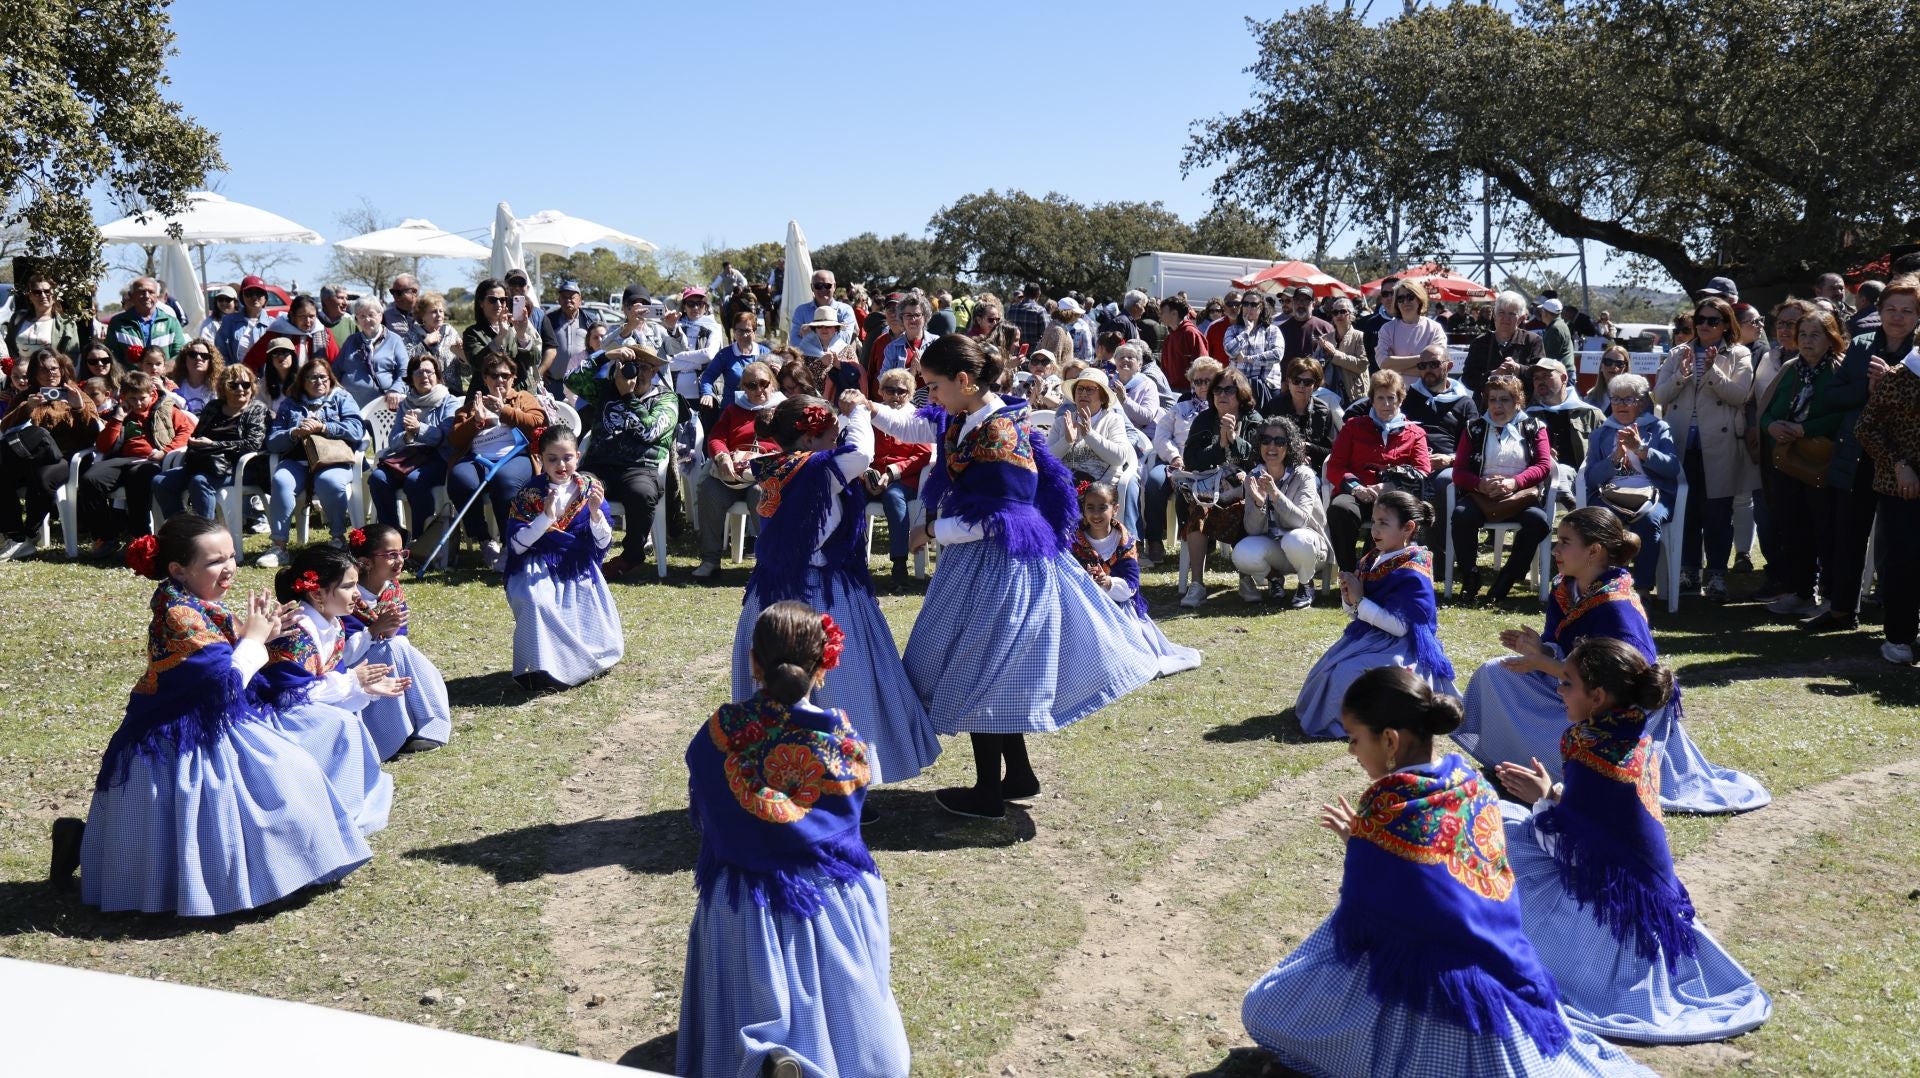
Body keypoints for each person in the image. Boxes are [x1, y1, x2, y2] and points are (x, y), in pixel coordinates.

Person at [1242, 665, 1650, 1078]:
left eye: (1354, 739)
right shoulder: (1473, 784)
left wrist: (1362, 845)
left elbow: (1364, 919)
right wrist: (1365, 844)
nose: (1351, 752)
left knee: (1265, 1009)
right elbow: (1437, 887)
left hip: (1440, 999)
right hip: (1510, 979)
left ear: (1389, 740)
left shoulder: (1387, 805)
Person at [862, 334, 1166, 820]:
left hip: (1004, 566)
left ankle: (987, 793)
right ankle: (1018, 774)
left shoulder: (999, 436)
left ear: (964, 380)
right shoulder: (968, 416)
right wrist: (870, 410)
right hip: (981, 564)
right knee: (995, 671)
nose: (929, 396)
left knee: (981, 669)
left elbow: (1000, 517)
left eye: (934, 386)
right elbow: (921, 425)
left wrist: (931, 530)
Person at [51, 518, 373, 915]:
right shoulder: (179, 614)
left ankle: (279, 872)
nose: (229, 568)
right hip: (175, 734)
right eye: (215, 561)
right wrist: (254, 639)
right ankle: (238, 882)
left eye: (232, 556)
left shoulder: (194, 601)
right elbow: (223, 683)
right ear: (179, 569)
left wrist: (263, 635)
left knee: (289, 777)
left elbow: (221, 662)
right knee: (244, 797)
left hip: (211, 720)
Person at [1493, 637, 1773, 1044]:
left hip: (1614, 915)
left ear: (1598, 696)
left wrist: (1542, 799)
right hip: (1647, 898)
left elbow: (1575, 853)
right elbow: (1602, 819)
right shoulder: (1630, 732)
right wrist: (1552, 794)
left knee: (1502, 833)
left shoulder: (1592, 752)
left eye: (1567, 682)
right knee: (1509, 819)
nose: (1559, 689)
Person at [679, 601, 912, 1078]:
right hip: (830, 895)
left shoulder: (720, 732)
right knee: (847, 1004)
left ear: (754, 662)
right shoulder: (842, 739)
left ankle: (765, 1055)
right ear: (823, 666)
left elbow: (706, 811)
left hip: (743, 898)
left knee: (749, 996)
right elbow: (847, 818)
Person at [1455, 507, 1770, 814]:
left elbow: (1622, 679)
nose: (1555, 549)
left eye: (1565, 542)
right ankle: (1519, 761)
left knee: (1556, 715)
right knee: (1494, 673)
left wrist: (1541, 663)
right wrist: (1542, 649)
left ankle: (1562, 770)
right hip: (1574, 686)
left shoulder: (1617, 605)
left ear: (1593, 551)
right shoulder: (1565, 588)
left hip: (1618, 704)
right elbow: (1559, 644)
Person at [726, 393, 942, 790]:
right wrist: (859, 410)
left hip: (772, 590)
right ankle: (837, 782)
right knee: (837, 685)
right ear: (808, 439)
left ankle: (782, 772)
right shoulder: (815, 468)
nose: (836, 441)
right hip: (815, 591)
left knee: (782, 689)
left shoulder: (776, 465)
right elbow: (861, 454)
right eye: (830, 434)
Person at [254, 545, 400, 836]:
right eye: (348, 586)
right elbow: (290, 694)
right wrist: (353, 682)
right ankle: (334, 810)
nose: (357, 594)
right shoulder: (295, 631)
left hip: (306, 708)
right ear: (317, 594)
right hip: (276, 718)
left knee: (348, 718)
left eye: (355, 585)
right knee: (342, 722)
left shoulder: (333, 623)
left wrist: (362, 686)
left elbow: (329, 679)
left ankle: (347, 801)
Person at [1294, 491, 1457, 739]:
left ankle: (1359, 722)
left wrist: (1360, 600)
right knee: (1329, 669)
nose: (1375, 529)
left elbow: (1401, 628)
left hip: (1401, 647)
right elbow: (1356, 613)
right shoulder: (1372, 558)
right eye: (1373, 521)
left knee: (1347, 674)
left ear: (1408, 528)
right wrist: (1349, 597)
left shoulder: (1413, 569)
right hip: (1370, 638)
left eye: (1384, 523)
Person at [1814, 276, 1916, 633]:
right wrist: (1868, 389)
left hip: (1903, 460)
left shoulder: (1918, 353)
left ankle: (1895, 615)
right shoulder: (1861, 345)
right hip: (1857, 453)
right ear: (1879, 310)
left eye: (1907, 311)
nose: (1897, 317)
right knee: (1848, 534)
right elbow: (1831, 396)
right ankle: (1842, 610)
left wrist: (1891, 385)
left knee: (1898, 540)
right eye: (1891, 309)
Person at [503, 426, 624, 689]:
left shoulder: (590, 490)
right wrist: (545, 518)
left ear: (577, 457)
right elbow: (517, 546)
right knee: (536, 600)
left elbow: (602, 543)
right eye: (552, 459)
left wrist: (596, 513)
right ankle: (541, 667)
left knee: (580, 603)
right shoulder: (529, 494)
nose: (561, 465)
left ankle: (578, 663)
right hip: (538, 564)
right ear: (540, 459)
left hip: (577, 564)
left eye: (567, 457)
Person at [1652, 295, 1754, 601]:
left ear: (1726, 325)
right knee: (1686, 512)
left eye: (1713, 320)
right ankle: (1689, 573)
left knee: (1717, 514)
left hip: (1719, 444)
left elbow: (1740, 395)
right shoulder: (1677, 353)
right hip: (1682, 442)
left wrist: (1712, 371)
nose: (1705, 325)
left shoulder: (1739, 354)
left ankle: (1716, 575)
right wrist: (1681, 377)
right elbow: (1659, 395)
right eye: (1700, 320)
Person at [342, 524, 451, 758]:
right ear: (365, 562)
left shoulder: (392, 591)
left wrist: (389, 633)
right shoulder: (347, 597)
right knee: (393, 647)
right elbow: (341, 654)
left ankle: (422, 723)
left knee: (398, 646)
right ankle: (391, 733)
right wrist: (373, 631)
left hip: (388, 658)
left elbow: (399, 639)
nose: (400, 560)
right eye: (391, 555)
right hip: (355, 669)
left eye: (402, 553)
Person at [1071, 481, 1202, 670]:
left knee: (1129, 656)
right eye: (1090, 507)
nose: (1096, 514)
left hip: (1119, 610)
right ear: (1083, 508)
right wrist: (1085, 578)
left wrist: (1108, 583)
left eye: (1102, 507)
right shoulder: (1074, 542)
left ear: (1115, 509)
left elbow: (1131, 587)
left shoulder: (1125, 543)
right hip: (1084, 609)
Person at [1451, 373, 1555, 602]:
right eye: (1492, 400)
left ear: (1518, 402)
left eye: (1504, 400)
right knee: (1461, 515)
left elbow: (1543, 466)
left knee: (1538, 521)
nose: (1497, 406)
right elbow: (1458, 471)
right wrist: (1480, 484)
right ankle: (1470, 576)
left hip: (1520, 495)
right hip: (1481, 495)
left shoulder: (1534, 427)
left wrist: (1514, 482)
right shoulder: (1474, 428)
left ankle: (1507, 579)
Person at [1854, 308, 1920, 664]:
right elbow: (1866, 428)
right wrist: (1899, 464)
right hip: (1902, 486)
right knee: (1904, 561)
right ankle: (1899, 637)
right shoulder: (1900, 377)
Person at [257, 360, 364, 567]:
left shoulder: (341, 398)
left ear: (330, 379)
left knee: (329, 482)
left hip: (332, 461)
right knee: (281, 480)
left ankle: (338, 538)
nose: (318, 381)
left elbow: (356, 430)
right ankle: (279, 547)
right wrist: (293, 433)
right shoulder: (290, 404)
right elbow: (272, 441)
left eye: (323, 377)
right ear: (302, 381)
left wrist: (324, 428)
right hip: (296, 461)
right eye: (312, 377)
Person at [582, 346, 677, 580]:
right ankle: (580, 552)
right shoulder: (606, 391)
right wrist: (606, 356)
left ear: (654, 371)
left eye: (644, 367)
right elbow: (572, 379)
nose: (637, 372)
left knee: (641, 494)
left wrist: (628, 397)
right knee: (580, 486)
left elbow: (649, 431)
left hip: (639, 468)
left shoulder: (667, 399)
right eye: (631, 366)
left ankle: (632, 555)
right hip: (599, 465)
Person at [1324, 370, 1432, 572]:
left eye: (1391, 398)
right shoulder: (1353, 427)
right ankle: (1349, 573)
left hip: (1395, 499)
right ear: (1372, 400)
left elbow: (1422, 471)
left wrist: (1389, 486)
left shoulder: (1415, 433)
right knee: (1340, 509)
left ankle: (1377, 572)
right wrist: (1356, 488)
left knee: (1392, 518)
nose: (1386, 404)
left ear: (1400, 399)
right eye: (1380, 398)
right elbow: (1335, 466)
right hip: (1358, 494)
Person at [80, 370, 195, 557]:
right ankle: (105, 537)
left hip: (153, 461)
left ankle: (139, 537)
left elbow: (187, 432)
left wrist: (165, 452)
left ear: (152, 393)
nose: (138, 403)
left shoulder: (166, 409)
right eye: (132, 399)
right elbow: (103, 446)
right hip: (123, 460)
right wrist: (117, 419)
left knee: (138, 477)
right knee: (90, 479)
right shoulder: (119, 413)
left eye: (142, 398)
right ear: (124, 397)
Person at [1581, 373, 1677, 592]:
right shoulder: (1600, 434)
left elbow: (1672, 468)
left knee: (1648, 521)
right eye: (1616, 399)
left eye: (1628, 399)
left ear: (1641, 403)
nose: (1620, 404)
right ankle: (1603, 588)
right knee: (1601, 522)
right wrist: (1614, 458)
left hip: (1653, 495)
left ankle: (1643, 590)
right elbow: (1591, 479)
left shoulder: (1659, 428)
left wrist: (1640, 449)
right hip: (1609, 494)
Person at [447, 356, 545, 567]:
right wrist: (475, 421)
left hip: (516, 456)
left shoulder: (523, 398)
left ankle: (510, 543)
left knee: (505, 481)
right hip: (478, 458)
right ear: (485, 378)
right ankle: (484, 540)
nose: (500, 380)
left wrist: (504, 410)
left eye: (505, 375)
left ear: (513, 378)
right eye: (494, 375)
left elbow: (538, 422)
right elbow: (455, 439)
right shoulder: (473, 405)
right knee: (460, 479)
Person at [1178, 369, 1263, 608]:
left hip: (1243, 490)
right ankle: (1197, 584)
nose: (1222, 395)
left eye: (1228, 390)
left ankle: (1246, 579)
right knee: (1198, 510)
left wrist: (1234, 440)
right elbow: (1191, 460)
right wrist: (1220, 446)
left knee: (1245, 509)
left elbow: (1259, 458)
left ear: (1241, 394)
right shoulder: (1204, 420)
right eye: (1217, 390)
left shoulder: (1253, 420)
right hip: (1207, 489)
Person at [0, 353, 95, 560]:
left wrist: (79, 408)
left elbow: (94, 435)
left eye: (54, 368)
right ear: (34, 373)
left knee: (43, 479)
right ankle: (14, 534)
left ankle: (28, 534)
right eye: (43, 369)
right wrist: (27, 408)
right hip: (28, 457)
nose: (50, 373)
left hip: (64, 459)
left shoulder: (75, 393)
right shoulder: (26, 396)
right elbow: (4, 428)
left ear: (61, 370)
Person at [694, 359, 783, 579]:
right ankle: (710, 560)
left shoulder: (784, 409)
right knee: (709, 490)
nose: (758, 389)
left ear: (772, 383)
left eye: (763, 383)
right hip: (733, 473)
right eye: (752, 385)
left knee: (761, 493)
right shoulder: (734, 410)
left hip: (766, 474)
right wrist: (722, 456)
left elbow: (792, 443)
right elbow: (716, 437)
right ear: (743, 387)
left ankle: (770, 561)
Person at [1232, 416, 1331, 607]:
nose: (1272, 446)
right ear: (1259, 444)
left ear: (1289, 446)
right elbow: (1253, 530)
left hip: (1309, 548)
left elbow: (1300, 522)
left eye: (1279, 441)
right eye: (1266, 440)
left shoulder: (1304, 475)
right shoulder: (1253, 476)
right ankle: (1274, 578)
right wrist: (1260, 503)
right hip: (1276, 549)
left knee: (1295, 539)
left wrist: (1275, 494)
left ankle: (1306, 584)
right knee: (1242, 553)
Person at [151, 362, 267, 523]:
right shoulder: (213, 407)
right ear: (224, 388)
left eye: (245, 384)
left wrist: (213, 445)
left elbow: (253, 444)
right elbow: (197, 435)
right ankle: (181, 528)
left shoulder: (256, 409)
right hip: (205, 464)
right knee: (161, 482)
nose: (240, 389)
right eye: (233, 385)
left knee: (199, 481)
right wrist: (195, 442)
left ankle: (205, 533)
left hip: (239, 467)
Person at [367, 354, 459, 531]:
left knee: (414, 480)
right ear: (411, 378)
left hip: (438, 457)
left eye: (429, 372)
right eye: (418, 373)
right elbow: (393, 441)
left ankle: (421, 537)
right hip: (409, 457)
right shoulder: (406, 404)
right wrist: (407, 436)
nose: (424, 376)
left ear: (437, 375)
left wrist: (419, 429)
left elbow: (447, 438)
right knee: (378, 478)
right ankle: (393, 535)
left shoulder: (449, 401)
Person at [864, 369, 935, 586]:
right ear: (881, 392)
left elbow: (923, 454)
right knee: (848, 495)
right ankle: (849, 558)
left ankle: (899, 562)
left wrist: (891, 473)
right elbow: (858, 447)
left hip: (905, 479)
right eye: (889, 390)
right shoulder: (871, 415)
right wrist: (866, 474)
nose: (895, 395)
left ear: (910, 394)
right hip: (871, 477)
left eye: (901, 391)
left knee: (893, 496)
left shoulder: (917, 417)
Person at [1463, 291, 1546, 405]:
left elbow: (1542, 376)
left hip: (1523, 409)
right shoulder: (1480, 342)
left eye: (1512, 314)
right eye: (1501, 312)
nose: (1505, 318)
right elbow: (1467, 379)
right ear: (1494, 315)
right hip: (1486, 409)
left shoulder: (1533, 341)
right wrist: (1493, 375)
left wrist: (1518, 369)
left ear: (1521, 318)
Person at [462, 279, 543, 391]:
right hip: (487, 394)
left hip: (520, 393)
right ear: (481, 303)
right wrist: (500, 336)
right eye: (492, 300)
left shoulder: (516, 326)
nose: (499, 304)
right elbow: (478, 363)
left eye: (503, 300)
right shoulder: (472, 333)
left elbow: (534, 359)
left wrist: (522, 336)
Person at [1266, 356, 1340, 473]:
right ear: (1288, 381)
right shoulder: (1274, 406)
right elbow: (1263, 442)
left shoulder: (1323, 411)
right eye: (1296, 380)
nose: (1301, 385)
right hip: (1277, 469)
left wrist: (1308, 447)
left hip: (1313, 472)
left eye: (1307, 382)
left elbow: (1332, 452)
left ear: (1315, 386)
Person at [698, 308, 772, 423]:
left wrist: (778, 372)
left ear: (755, 332)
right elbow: (708, 376)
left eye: (748, 330)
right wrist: (707, 393)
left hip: (759, 410)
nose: (744, 334)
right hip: (731, 411)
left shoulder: (765, 353)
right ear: (734, 332)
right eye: (740, 330)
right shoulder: (724, 354)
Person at [334, 297, 410, 408]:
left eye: (371, 315)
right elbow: (335, 371)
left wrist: (396, 389)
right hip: (349, 405)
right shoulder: (351, 341)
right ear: (357, 319)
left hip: (381, 406)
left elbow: (405, 371)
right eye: (362, 316)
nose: (367, 320)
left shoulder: (394, 340)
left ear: (380, 316)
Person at [105, 276, 189, 369]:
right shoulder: (118, 323)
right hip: (130, 378)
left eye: (151, 292)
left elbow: (179, 356)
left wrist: (160, 373)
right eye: (141, 292)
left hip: (163, 377)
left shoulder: (171, 322)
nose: (147, 296)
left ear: (157, 296)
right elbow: (113, 357)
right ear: (131, 295)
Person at [1222, 290, 1286, 411]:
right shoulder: (1233, 330)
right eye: (1245, 304)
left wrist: (1248, 359)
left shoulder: (1272, 330)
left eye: (1253, 304)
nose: (1248, 307)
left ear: (1261, 307)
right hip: (1239, 387)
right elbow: (1230, 350)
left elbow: (1277, 354)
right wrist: (1247, 331)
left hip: (1267, 386)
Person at [1374, 280, 1448, 374]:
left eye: (1410, 297)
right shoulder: (1387, 329)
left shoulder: (1435, 328)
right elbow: (1383, 363)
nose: (1405, 302)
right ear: (1396, 303)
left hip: (1426, 384)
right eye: (1400, 298)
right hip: (1395, 384)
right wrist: (1424, 359)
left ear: (1419, 299)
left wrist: (1396, 367)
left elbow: (1437, 365)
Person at [6, 275, 86, 359]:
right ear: (30, 296)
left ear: (55, 296)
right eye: (37, 292)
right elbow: (9, 347)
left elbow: (71, 357)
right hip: (19, 367)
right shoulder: (17, 318)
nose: (43, 295)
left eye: (47, 291)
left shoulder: (66, 323)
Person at [405, 290, 468, 395]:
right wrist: (425, 343)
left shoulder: (451, 332)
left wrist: (462, 355)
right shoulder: (412, 335)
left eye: (441, 311)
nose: (439, 315)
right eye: (434, 311)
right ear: (422, 315)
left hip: (451, 392)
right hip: (423, 393)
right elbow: (405, 362)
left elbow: (466, 372)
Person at [1315, 296, 1370, 405]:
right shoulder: (1325, 338)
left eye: (1343, 311)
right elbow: (1316, 367)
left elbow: (1362, 365)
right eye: (1335, 312)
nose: (1339, 315)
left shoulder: (1360, 337)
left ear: (1352, 315)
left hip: (1355, 395)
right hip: (1329, 394)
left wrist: (1334, 353)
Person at [1159, 295, 1208, 394]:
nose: (1160, 315)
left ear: (1174, 313)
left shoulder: (1191, 333)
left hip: (1189, 391)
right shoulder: (1170, 336)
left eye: (1163, 312)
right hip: (1171, 389)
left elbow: (1203, 363)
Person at [169, 339, 221, 414]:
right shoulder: (174, 385)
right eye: (193, 354)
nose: (198, 358)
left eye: (204, 356)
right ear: (184, 359)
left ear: (211, 361)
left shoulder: (219, 387)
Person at [1585, 346, 1632, 411]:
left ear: (1625, 369)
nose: (1613, 366)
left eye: (1619, 363)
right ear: (1601, 367)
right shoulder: (1591, 397)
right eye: (1608, 362)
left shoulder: (1633, 397)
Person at [1051, 296, 1095, 361]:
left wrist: (1086, 362)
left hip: (1076, 363)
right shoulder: (1057, 326)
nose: (1077, 315)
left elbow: (1088, 349)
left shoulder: (1083, 327)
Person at [1535, 298, 1576, 366]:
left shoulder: (1555, 328)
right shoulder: (1559, 325)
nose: (1541, 313)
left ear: (1546, 313)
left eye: (1542, 310)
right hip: (1563, 369)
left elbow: (1549, 357)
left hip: (1560, 370)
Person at [382, 274, 422, 339]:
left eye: (398, 292)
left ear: (414, 292)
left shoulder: (428, 314)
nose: (395, 296)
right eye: (393, 292)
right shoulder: (385, 317)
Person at [318, 284, 354, 349]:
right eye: (341, 298)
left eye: (346, 298)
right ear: (326, 301)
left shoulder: (350, 321)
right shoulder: (313, 321)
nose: (346, 303)